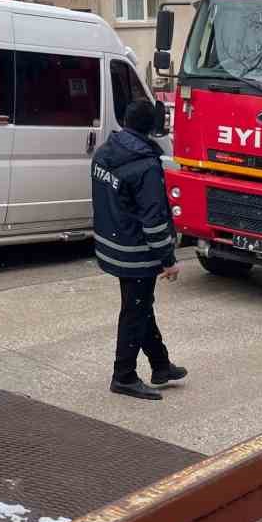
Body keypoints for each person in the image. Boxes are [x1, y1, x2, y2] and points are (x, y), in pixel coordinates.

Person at [92, 97, 187, 400]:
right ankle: (124, 376)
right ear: (152, 128)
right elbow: (154, 219)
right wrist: (168, 259)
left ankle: (160, 365)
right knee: (135, 311)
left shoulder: (105, 152)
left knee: (140, 305)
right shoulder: (145, 165)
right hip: (135, 252)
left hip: (111, 243)